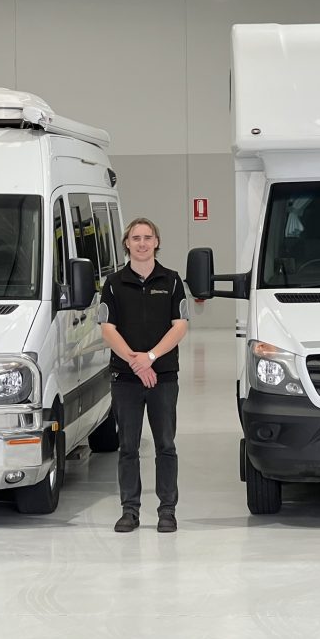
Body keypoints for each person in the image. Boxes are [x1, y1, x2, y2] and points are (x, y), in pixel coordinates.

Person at [99, 217, 189, 533]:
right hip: (125, 378)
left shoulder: (173, 281)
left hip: (163, 376)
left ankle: (167, 512)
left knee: (165, 444)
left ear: (156, 242)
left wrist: (150, 358)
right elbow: (106, 328)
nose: (141, 243)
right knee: (128, 446)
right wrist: (135, 362)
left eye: (147, 237)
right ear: (127, 243)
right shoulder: (112, 284)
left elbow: (181, 326)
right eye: (135, 238)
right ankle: (130, 511)